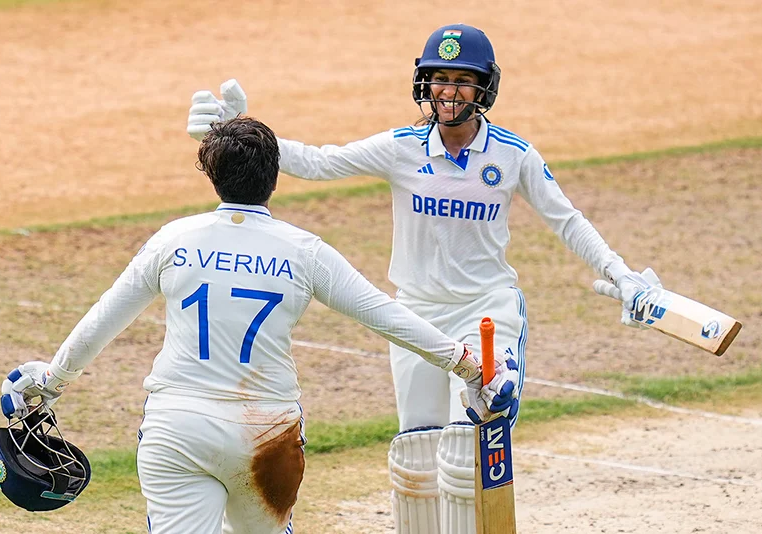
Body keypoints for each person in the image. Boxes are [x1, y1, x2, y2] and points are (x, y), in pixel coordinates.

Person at [186, 24, 662, 534]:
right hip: (414, 316)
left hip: (486, 309)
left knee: (466, 450)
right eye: (438, 78)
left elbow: (567, 220)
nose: (448, 91)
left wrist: (622, 273)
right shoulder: (401, 147)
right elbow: (319, 161)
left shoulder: (513, 154)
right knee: (416, 459)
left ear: (485, 88)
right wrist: (237, 132)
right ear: (423, 83)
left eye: (462, 80)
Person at [0, 117, 516, 534]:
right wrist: (468, 366)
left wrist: (50, 382)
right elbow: (388, 317)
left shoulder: (172, 240)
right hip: (268, 433)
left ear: (212, 176)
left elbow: (101, 321)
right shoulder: (305, 251)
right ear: (274, 176)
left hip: (177, 427)